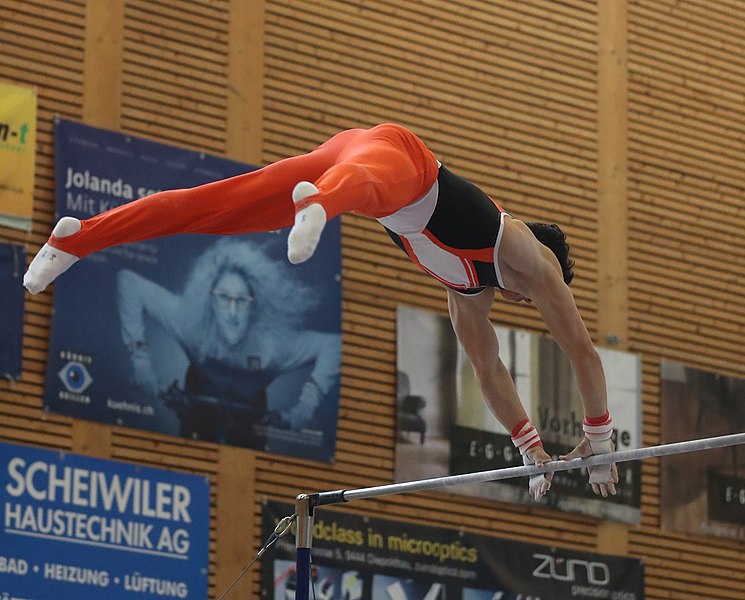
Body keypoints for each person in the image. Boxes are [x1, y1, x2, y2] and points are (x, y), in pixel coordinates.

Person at [25, 122, 617, 500]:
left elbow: (488, 373)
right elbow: (581, 351)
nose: (529, 303)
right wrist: (600, 439)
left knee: (218, 206)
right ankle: (322, 205)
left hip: (351, 164)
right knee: (365, 187)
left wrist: (532, 450)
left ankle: (79, 237)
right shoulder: (524, 254)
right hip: (397, 158)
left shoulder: (465, 298)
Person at [115, 237, 341, 447]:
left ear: (255, 306)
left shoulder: (274, 347)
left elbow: (332, 345)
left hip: (249, 427)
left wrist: (307, 404)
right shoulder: (190, 324)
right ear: (209, 300)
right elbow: (128, 282)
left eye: (241, 301)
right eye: (223, 298)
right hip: (196, 417)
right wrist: (141, 362)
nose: (232, 313)